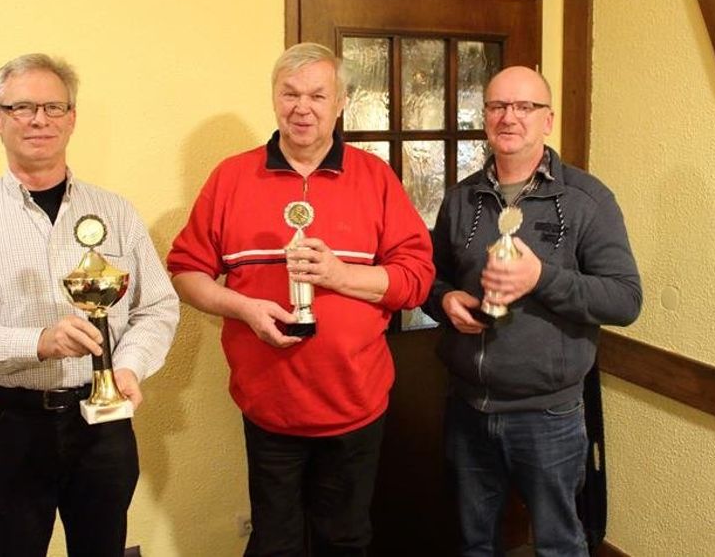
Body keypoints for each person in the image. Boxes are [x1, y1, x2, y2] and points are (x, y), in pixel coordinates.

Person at [167, 42, 434, 556]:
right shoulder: (231, 177)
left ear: (341, 103)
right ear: (273, 98)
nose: (302, 107)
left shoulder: (375, 177)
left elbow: (416, 280)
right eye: (289, 93)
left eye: (317, 94)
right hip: (270, 408)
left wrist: (339, 275)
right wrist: (244, 308)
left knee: (346, 540)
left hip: (356, 404)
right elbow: (185, 271)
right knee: (275, 544)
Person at [0, 53, 180, 557]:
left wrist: (127, 368)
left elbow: (157, 307)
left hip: (103, 426)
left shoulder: (115, 211)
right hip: (7, 427)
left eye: (54, 107)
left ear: (72, 118)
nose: (40, 120)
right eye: (22, 107)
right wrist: (38, 342)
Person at [422, 66, 642, 556]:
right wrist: (444, 300)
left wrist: (540, 278)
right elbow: (428, 278)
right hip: (467, 409)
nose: (509, 117)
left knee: (558, 545)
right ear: (485, 118)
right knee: (474, 543)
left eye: (525, 107)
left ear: (547, 120)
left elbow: (625, 299)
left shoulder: (587, 200)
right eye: (498, 106)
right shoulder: (461, 199)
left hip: (549, 413)